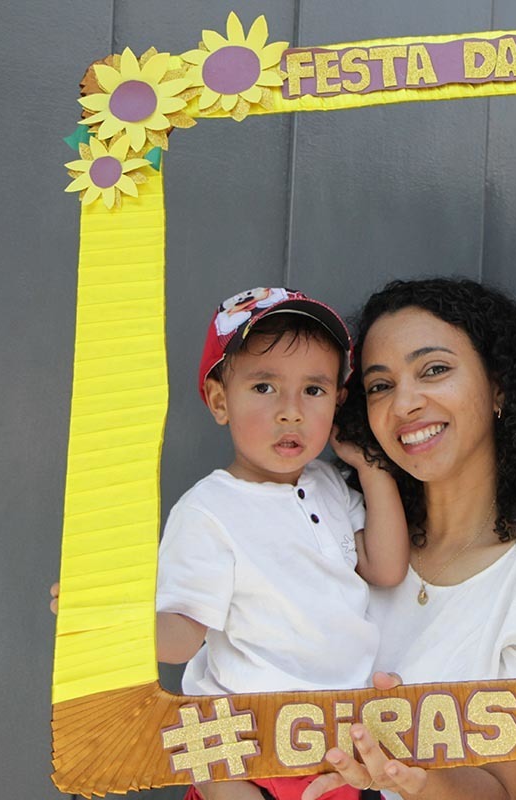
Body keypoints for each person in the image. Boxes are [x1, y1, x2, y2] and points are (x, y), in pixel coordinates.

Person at [55, 287, 411, 800]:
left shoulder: (330, 485)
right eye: (264, 387)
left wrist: (369, 466)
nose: (291, 411)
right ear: (221, 400)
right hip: (238, 747)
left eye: (313, 390)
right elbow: (181, 638)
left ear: (337, 401)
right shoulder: (210, 511)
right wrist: (108, 619)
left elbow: (386, 567)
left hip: (331, 746)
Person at [301, 278, 516, 800]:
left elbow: (501, 787)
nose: (404, 403)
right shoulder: (340, 534)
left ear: (499, 386)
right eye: (380, 386)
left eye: (434, 370)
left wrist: (408, 775)